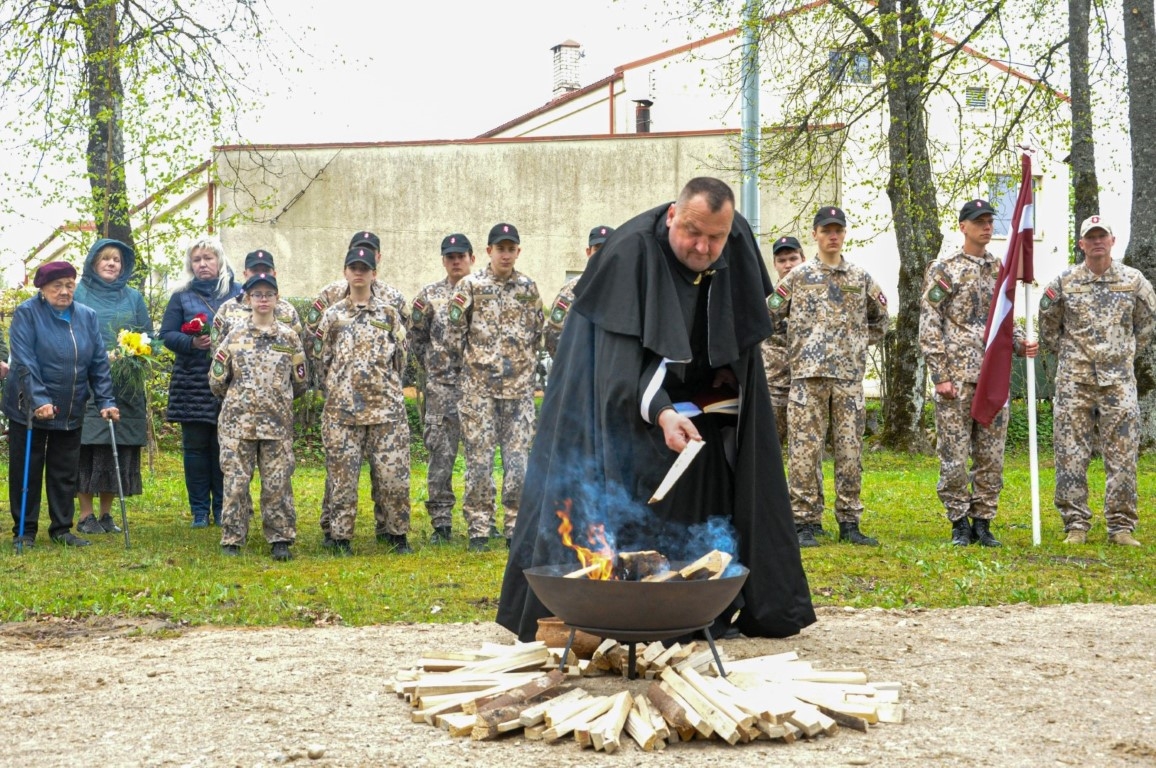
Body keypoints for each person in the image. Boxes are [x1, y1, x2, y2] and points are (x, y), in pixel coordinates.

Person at [497, 177, 816, 642]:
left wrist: (722, 365)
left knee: (724, 467)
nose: (704, 247)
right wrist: (664, 411)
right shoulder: (629, 253)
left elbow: (727, 320)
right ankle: (614, 609)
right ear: (672, 215)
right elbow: (620, 364)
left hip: (690, 399)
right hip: (605, 386)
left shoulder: (737, 240)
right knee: (609, 488)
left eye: (715, 237)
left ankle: (711, 603)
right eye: (692, 233)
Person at [919, 200, 1038, 547]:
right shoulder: (945, 268)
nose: (986, 227)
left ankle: (983, 521)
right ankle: (959, 522)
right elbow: (930, 324)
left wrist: (1020, 342)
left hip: (992, 377)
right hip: (956, 378)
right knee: (954, 457)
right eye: (979, 222)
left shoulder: (999, 269)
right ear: (963, 227)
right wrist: (939, 374)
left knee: (990, 457)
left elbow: (1003, 321)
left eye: (990, 221)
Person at [769, 206, 889, 548]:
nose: (833, 236)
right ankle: (805, 521)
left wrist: (854, 343)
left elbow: (880, 317)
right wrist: (796, 344)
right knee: (805, 452)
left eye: (838, 230)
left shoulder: (859, 277)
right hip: (807, 378)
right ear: (815, 235)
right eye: (826, 230)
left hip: (848, 379)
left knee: (850, 452)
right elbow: (770, 314)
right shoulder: (799, 276)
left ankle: (850, 521)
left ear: (844, 234)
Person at [1039, 214, 1156, 546]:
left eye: (1102, 236)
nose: (1097, 242)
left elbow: (1145, 327)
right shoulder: (1064, 283)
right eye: (1090, 237)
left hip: (1118, 384)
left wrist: (1120, 355)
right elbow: (1049, 327)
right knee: (1070, 454)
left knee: (1122, 455)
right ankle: (1075, 524)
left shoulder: (1134, 282)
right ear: (1082, 244)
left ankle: (1120, 527)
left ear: (1112, 241)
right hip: (1074, 383)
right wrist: (1074, 356)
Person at [4, 261, 119, 548]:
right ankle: (25, 531)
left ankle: (61, 529)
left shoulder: (87, 316)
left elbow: (98, 362)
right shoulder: (27, 314)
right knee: (27, 469)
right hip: (28, 407)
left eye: (69, 285)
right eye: (57, 286)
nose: (65, 291)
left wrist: (106, 399)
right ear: (42, 289)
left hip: (71, 405)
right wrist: (39, 400)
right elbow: (24, 362)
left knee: (64, 469)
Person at [305, 230, 408, 545]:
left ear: (374, 272)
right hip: (343, 410)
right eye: (354, 267)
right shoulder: (332, 315)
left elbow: (401, 359)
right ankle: (339, 537)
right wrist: (339, 385)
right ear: (346, 272)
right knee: (342, 479)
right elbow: (321, 357)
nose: (359, 273)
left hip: (385, 409)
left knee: (392, 477)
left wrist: (383, 385)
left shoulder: (390, 314)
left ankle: (395, 534)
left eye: (365, 268)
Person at [447, 222, 543, 551]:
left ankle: (515, 525)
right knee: (479, 461)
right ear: (488, 252)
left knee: (518, 463)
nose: (505, 254)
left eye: (510, 248)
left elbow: (536, 334)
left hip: (518, 393)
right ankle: (479, 526)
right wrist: (471, 374)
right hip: (479, 392)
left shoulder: (528, 288)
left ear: (518, 251)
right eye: (499, 248)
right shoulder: (469, 286)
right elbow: (453, 335)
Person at [209, 273, 307, 561]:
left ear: (277, 299)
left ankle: (280, 538)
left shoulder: (289, 338)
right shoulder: (234, 336)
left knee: (277, 483)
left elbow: (300, 381)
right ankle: (232, 537)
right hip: (238, 425)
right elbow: (217, 380)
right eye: (257, 294)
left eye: (268, 294)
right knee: (236, 482)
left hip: (276, 425)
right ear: (248, 299)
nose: (263, 299)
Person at [159, 237, 241, 528]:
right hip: (191, 382)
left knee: (223, 447)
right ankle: (198, 511)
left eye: (208, 258)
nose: (203, 264)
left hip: (230, 383)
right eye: (197, 260)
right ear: (190, 264)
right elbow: (166, 334)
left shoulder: (238, 293)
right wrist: (192, 342)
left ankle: (221, 508)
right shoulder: (181, 296)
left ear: (219, 260)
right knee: (194, 448)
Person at [73, 239, 153, 536]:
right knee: (88, 447)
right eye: (105, 259)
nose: (111, 264)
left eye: (116, 260)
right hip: (87, 383)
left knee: (117, 446)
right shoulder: (79, 293)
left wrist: (136, 351)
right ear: (93, 263)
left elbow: (149, 336)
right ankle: (85, 515)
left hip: (126, 385)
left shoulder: (133, 297)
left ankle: (106, 514)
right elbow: (69, 330)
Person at [410, 233, 476, 543]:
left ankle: (481, 521)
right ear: (443, 261)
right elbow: (417, 338)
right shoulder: (429, 296)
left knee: (481, 457)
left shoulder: (485, 293)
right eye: (450, 257)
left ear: (472, 258)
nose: (456, 261)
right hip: (442, 389)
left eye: (461, 256)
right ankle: (441, 524)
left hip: (479, 387)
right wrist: (436, 367)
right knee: (441, 455)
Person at [210, 249, 303, 355]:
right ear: (245, 274)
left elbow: (298, 350)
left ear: (274, 274)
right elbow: (216, 351)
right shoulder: (226, 310)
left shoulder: (288, 310)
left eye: (265, 270)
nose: (260, 275)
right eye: (255, 271)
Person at [543, 225, 615, 358]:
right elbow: (553, 333)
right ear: (588, 252)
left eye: (607, 249)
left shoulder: (623, 291)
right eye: (597, 249)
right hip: (578, 371)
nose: (601, 254)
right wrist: (571, 365)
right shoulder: (572, 289)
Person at [762, 235, 805, 450]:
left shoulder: (817, 300)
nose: (788, 265)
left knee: (805, 456)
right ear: (775, 264)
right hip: (775, 387)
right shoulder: (769, 301)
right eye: (782, 260)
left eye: (793, 258)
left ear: (803, 259)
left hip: (807, 386)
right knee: (771, 451)